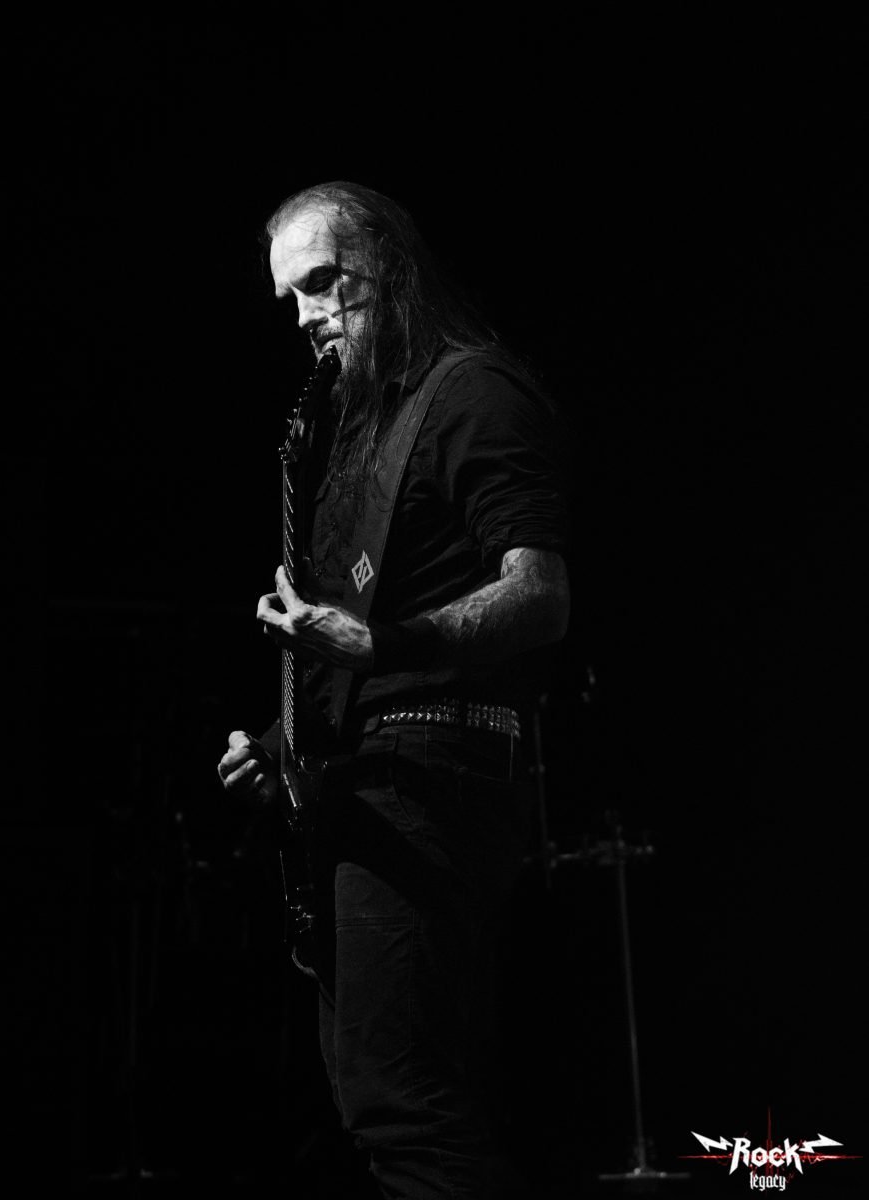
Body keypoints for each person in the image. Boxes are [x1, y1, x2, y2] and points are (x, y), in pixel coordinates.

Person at [219, 181, 570, 1199]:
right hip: (369, 775)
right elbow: (354, 651)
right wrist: (278, 750)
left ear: (391, 265)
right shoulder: (359, 432)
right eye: (289, 299)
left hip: (433, 768)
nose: (306, 317)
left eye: (324, 283)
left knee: (402, 1105)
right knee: (374, 1104)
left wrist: (383, 644)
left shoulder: (474, 392)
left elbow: (540, 596)